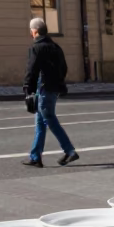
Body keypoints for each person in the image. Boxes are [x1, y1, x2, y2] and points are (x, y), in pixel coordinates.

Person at [22, 17, 78, 168]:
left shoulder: (36, 47)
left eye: (31, 31)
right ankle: (35, 157)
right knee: (40, 122)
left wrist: (28, 89)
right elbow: (64, 68)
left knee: (49, 120)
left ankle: (70, 150)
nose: (31, 33)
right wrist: (58, 82)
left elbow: (31, 70)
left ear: (35, 31)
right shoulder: (56, 47)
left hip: (44, 88)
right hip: (53, 88)